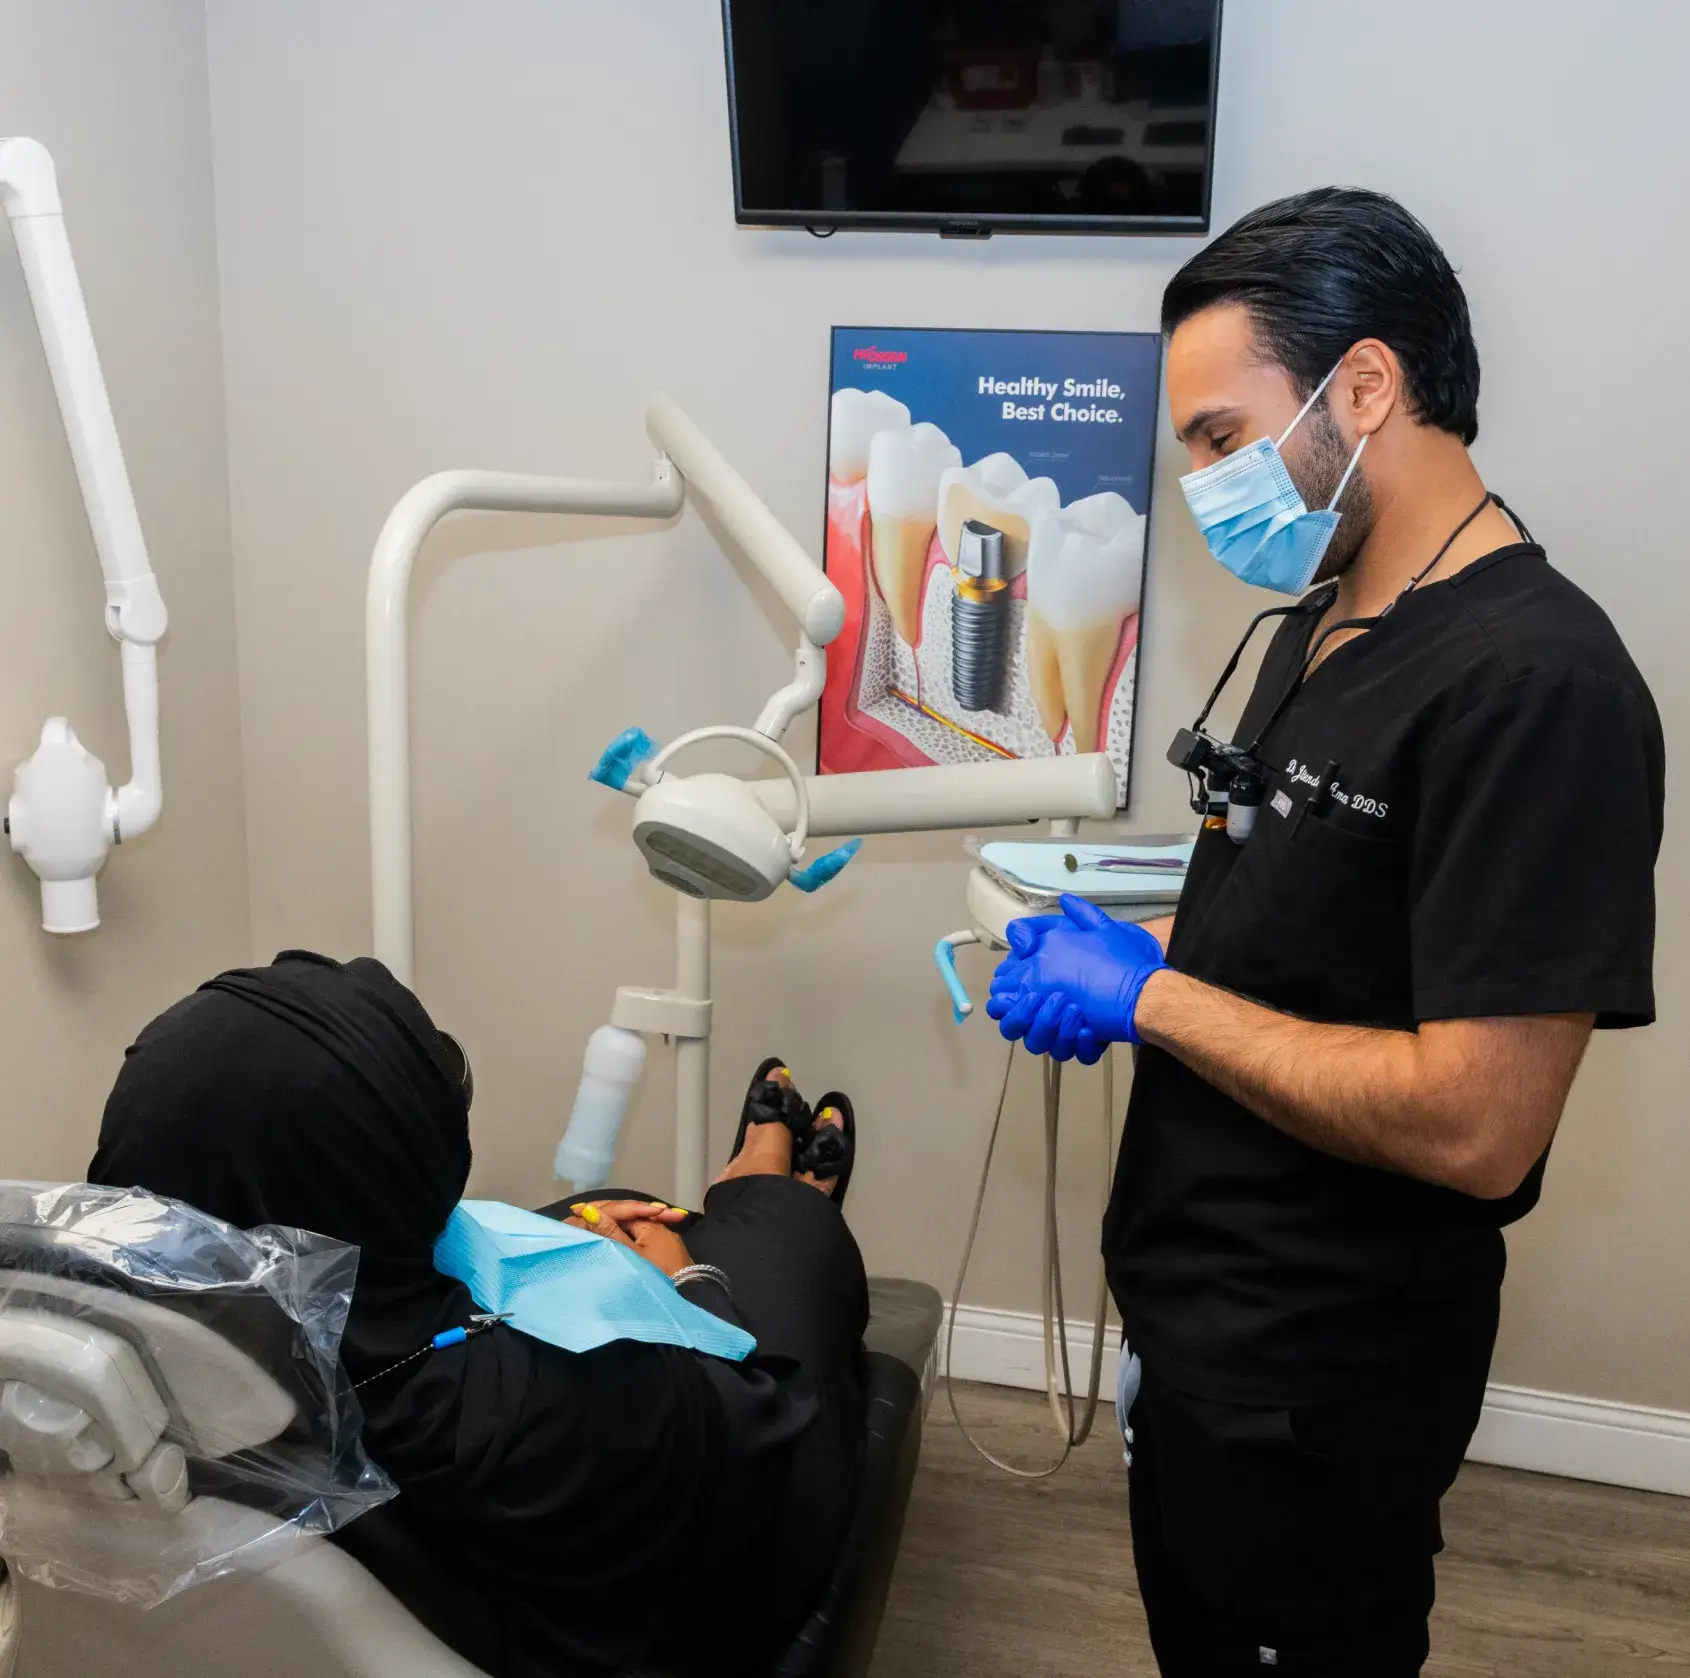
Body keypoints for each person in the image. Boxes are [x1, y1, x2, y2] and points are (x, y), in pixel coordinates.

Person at [990, 188, 1663, 1674]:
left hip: (1318, 1377)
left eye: (1221, 436)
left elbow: (1479, 1122)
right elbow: (1299, 907)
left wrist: (1149, 999)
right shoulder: (1324, 610)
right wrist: (1110, 933)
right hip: (1195, 1310)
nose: (1202, 484)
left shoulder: (1536, 690)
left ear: (1364, 386)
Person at [88, 949, 867, 1678]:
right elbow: (751, 1421)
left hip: (470, 1522)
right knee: (775, 1257)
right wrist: (687, 1281)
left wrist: (561, 1251)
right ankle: (779, 1185)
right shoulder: (547, 1410)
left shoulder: (131, 1345)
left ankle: (746, 1197)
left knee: (595, 1208)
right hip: (696, 1584)